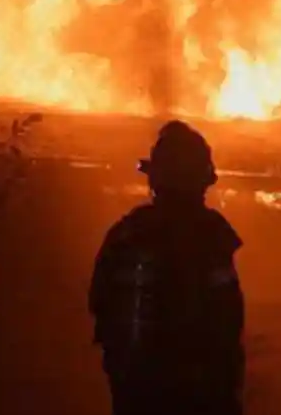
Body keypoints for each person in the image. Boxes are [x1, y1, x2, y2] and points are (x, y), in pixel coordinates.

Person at [89, 120, 245, 415]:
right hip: (197, 396)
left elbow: (100, 306)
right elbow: (227, 320)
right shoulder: (209, 236)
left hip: (135, 395)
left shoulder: (124, 235)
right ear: (200, 181)